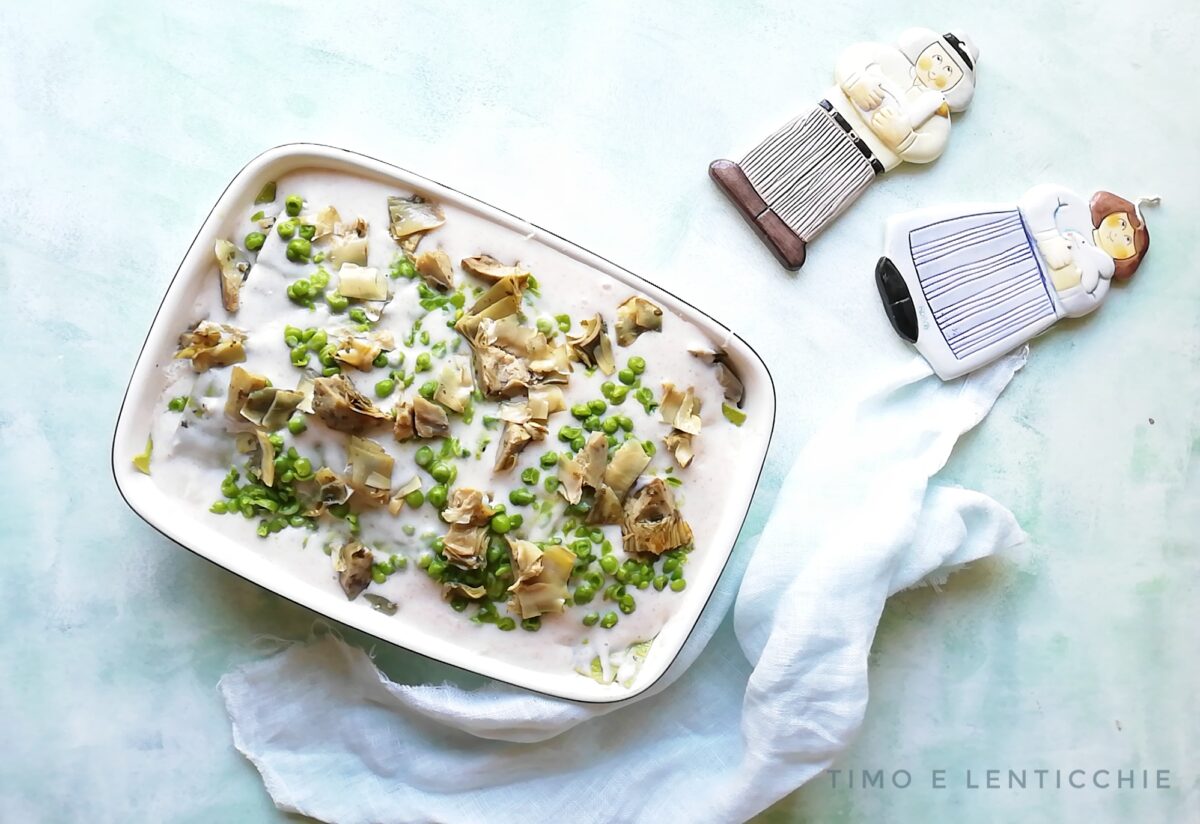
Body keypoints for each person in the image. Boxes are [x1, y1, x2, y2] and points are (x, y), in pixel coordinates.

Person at [710, 28, 979, 270]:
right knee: (788, 148)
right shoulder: (888, 58)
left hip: (864, 159)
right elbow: (853, 58)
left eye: (947, 73)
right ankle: (744, 176)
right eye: (938, 60)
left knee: (827, 190)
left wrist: (903, 138)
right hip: (827, 119)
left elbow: (931, 145)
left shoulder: (936, 110)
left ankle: (791, 232)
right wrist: (856, 82)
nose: (936, 71)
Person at [875, 187, 1156, 380]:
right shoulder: (1073, 205)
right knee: (958, 256)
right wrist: (1048, 238)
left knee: (978, 311)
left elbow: (1075, 302)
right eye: (1123, 224)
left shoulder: (1100, 283)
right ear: (1112, 211)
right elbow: (1040, 201)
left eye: (1129, 240)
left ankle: (930, 335)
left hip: (1029, 297)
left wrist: (1069, 274)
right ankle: (906, 262)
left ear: (1128, 258)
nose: (1121, 234)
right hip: (1006, 234)